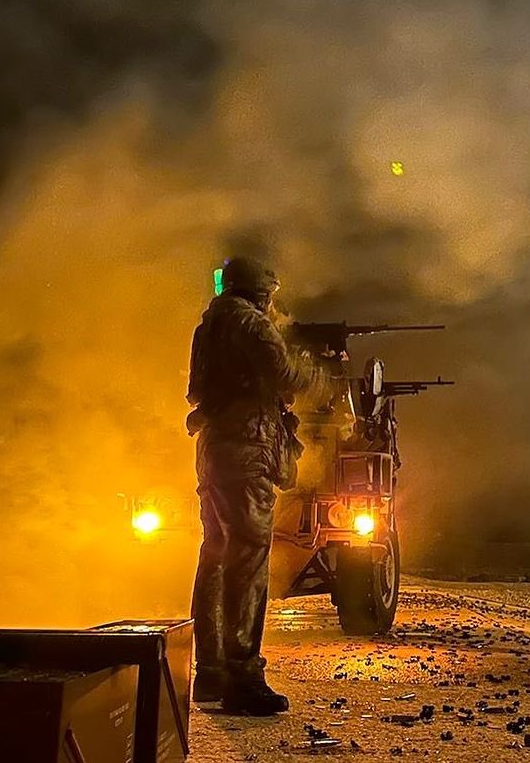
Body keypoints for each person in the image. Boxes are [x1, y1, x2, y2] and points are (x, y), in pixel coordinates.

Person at [185, 256, 325, 716]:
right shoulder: (253, 325)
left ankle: (209, 671)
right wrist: (315, 370)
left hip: (216, 452)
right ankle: (243, 677)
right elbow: (285, 376)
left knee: (216, 556)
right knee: (247, 563)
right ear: (262, 291)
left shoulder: (209, 327)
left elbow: (201, 391)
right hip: (249, 452)